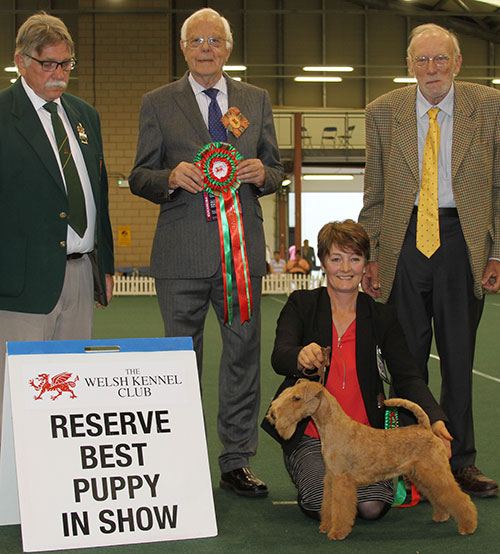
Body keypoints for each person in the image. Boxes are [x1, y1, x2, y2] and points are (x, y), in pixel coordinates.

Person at [129, 7, 283, 497]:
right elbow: (139, 175)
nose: (206, 48)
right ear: (183, 48)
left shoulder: (255, 100)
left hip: (240, 256)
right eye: (196, 40)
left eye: (215, 40)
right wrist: (169, 177)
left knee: (242, 355)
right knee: (178, 358)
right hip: (180, 256)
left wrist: (265, 175)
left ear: (228, 48)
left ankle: (236, 460)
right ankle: (180, 454)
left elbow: (278, 169)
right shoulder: (157, 102)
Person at [358, 23, 499, 497]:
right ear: (408, 65)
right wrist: (374, 253)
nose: (432, 68)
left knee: (458, 359)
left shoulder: (491, 108)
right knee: (405, 359)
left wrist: (496, 249)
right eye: (422, 60)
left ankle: (460, 463)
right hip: (404, 240)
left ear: (458, 63)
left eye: (441, 59)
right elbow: (374, 192)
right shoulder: (382, 113)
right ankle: (403, 466)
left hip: (463, 240)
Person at [262, 220, 451, 521]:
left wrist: (436, 419)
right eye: (336, 259)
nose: (345, 268)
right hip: (312, 436)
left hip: (366, 439)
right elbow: (279, 355)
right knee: (318, 501)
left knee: (371, 507)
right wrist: (299, 355)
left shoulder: (381, 315)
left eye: (354, 258)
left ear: (366, 264)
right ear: (323, 262)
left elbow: (407, 375)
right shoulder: (302, 304)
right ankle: (308, 469)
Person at [0, 12, 114, 431]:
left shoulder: (85, 116)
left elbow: (97, 192)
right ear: (21, 62)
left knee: (71, 396)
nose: (59, 73)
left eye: (66, 64)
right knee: (16, 397)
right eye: (48, 63)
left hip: (81, 275)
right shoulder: (2, 115)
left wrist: (106, 265)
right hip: (20, 283)